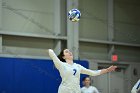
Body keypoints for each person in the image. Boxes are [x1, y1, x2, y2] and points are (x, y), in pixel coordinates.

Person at [48, 49, 117, 93]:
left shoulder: (78, 66)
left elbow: (93, 73)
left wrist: (107, 70)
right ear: (63, 57)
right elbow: (52, 55)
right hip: (65, 90)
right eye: (66, 51)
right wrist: (50, 50)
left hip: (76, 90)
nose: (69, 52)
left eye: (70, 51)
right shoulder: (61, 65)